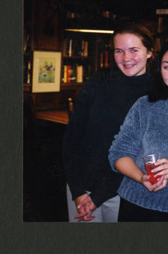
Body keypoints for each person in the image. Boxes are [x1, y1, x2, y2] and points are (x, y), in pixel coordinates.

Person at [62, 22, 154, 222]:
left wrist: (98, 197)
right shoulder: (97, 83)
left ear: (149, 53)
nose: (126, 58)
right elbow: (71, 140)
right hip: (81, 190)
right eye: (119, 51)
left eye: (134, 50)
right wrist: (78, 191)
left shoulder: (157, 93)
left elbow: (141, 153)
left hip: (124, 191)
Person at [108, 37, 168, 221]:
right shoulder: (145, 106)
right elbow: (118, 154)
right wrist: (141, 177)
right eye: (167, 66)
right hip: (138, 206)